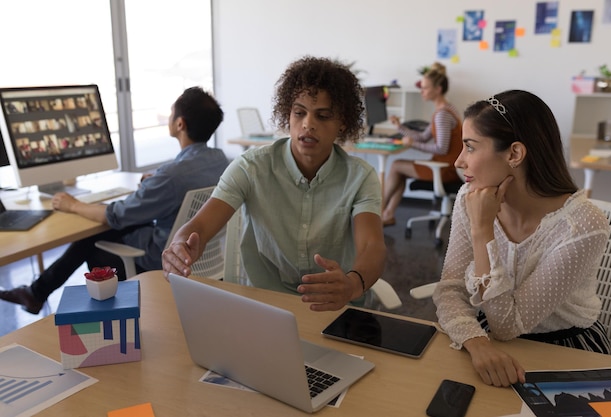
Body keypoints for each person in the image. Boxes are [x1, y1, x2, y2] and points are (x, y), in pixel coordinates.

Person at [162, 56, 386, 312]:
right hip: (266, 306)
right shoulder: (251, 167)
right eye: (299, 113)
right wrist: (181, 246)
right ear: (287, 115)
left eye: (323, 116)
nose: (308, 124)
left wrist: (352, 284)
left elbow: (373, 247)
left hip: (334, 306)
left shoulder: (360, 177)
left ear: (342, 123)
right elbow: (199, 227)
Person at [433, 90, 610, 388]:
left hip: (566, 349)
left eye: (471, 147)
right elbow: (450, 289)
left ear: (514, 154)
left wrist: (482, 231)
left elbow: (507, 325)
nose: (459, 162)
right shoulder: (470, 197)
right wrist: (477, 344)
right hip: (487, 335)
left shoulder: (582, 224)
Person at [0, 87, 230, 314]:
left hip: (164, 257)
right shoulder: (221, 161)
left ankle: (101, 312)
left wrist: (73, 205)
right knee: (113, 228)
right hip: (204, 254)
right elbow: (176, 185)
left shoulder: (171, 176)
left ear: (180, 124)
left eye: (171, 114)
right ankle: (35, 292)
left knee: (94, 237)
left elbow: (116, 215)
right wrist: (154, 184)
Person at [381, 62, 462, 226]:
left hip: (445, 169)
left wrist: (411, 144)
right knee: (399, 168)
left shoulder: (442, 115)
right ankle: (387, 214)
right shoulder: (446, 108)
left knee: (397, 165)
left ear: (437, 89)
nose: (421, 92)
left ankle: (376, 214)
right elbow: (424, 137)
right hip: (445, 165)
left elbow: (441, 148)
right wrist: (400, 127)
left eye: (424, 88)